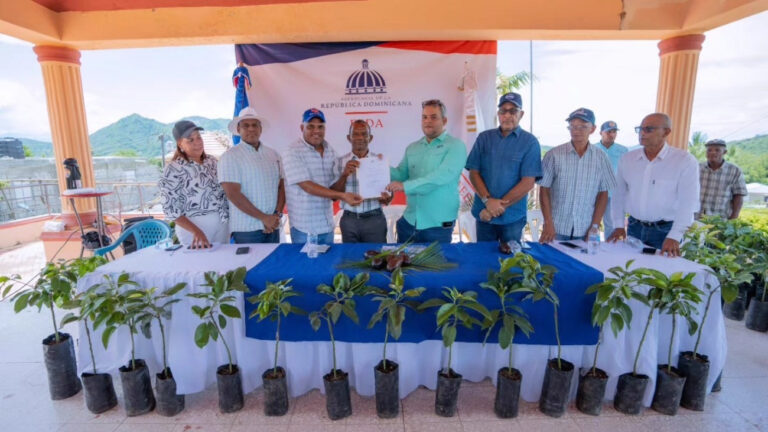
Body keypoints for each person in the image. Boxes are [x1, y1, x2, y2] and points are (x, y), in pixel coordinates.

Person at [607, 113, 699, 256]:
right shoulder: (628, 159)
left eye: (649, 129)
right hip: (634, 229)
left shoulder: (684, 161)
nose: (642, 133)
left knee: (660, 276)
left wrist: (675, 235)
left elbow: (688, 203)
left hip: (665, 232)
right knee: (630, 272)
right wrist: (618, 226)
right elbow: (618, 195)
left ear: (666, 132)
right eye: (640, 129)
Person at [465, 92, 542, 245]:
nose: (507, 115)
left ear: (521, 114)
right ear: (498, 114)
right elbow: (474, 172)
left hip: (511, 218)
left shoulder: (530, 142)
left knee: (510, 263)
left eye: (513, 111)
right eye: (503, 111)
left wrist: (497, 206)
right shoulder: (484, 138)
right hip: (484, 215)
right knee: (484, 260)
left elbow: (527, 182)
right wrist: (487, 201)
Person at [386, 99, 466, 243]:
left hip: (438, 225)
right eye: (424, 117)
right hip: (409, 222)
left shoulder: (456, 146)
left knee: (434, 265)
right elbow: (401, 174)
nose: (428, 121)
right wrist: (378, 166)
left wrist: (405, 186)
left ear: (445, 120)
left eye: (433, 117)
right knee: (402, 264)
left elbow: (439, 177)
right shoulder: (413, 147)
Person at [282, 108, 363, 245]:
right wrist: (343, 196)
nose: (316, 131)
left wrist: (344, 175)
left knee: (326, 266)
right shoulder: (292, 151)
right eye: (311, 127)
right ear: (302, 128)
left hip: (327, 226)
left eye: (320, 127)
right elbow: (307, 186)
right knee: (306, 266)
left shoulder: (330, 151)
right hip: (304, 228)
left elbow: (333, 192)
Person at [538, 108, 616, 243]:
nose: (576, 130)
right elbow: (544, 190)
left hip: (585, 229)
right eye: (573, 126)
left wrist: (595, 226)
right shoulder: (554, 155)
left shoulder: (601, 157)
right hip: (556, 228)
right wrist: (548, 223)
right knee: (552, 263)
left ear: (592, 129)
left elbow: (603, 193)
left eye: (583, 127)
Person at [219, 107, 285, 243]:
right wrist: (263, 218)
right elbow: (233, 194)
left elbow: (281, 186)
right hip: (247, 229)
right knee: (249, 265)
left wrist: (275, 215)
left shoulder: (273, 154)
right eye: (246, 126)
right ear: (238, 130)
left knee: (273, 263)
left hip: (273, 225)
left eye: (255, 125)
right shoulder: (230, 157)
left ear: (260, 129)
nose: (251, 129)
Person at [159, 120, 229, 248]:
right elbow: (170, 209)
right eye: (190, 140)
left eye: (198, 137)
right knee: (200, 267)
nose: (197, 142)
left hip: (222, 226)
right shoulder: (173, 170)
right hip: (195, 231)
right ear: (180, 143)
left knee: (222, 266)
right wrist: (196, 231)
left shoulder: (212, 162)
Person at [330, 120, 392, 243]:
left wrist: (387, 198)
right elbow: (333, 196)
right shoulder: (339, 162)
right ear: (349, 138)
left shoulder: (380, 162)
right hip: (349, 221)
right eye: (356, 134)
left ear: (371, 138)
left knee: (376, 258)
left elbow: (389, 195)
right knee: (351, 259)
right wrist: (344, 175)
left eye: (364, 134)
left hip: (374, 219)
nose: (360, 138)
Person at [697, 138, 747, 220]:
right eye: (709, 150)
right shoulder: (697, 168)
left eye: (717, 150)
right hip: (697, 217)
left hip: (721, 219)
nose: (713, 153)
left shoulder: (734, 170)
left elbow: (739, 195)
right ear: (706, 153)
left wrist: (734, 218)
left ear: (724, 152)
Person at [596, 120, 628, 236]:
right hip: (594, 193)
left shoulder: (623, 150)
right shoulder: (592, 148)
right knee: (592, 223)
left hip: (613, 193)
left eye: (614, 132)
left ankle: (609, 249)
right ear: (601, 133)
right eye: (608, 132)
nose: (612, 134)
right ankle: (592, 246)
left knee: (611, 224)